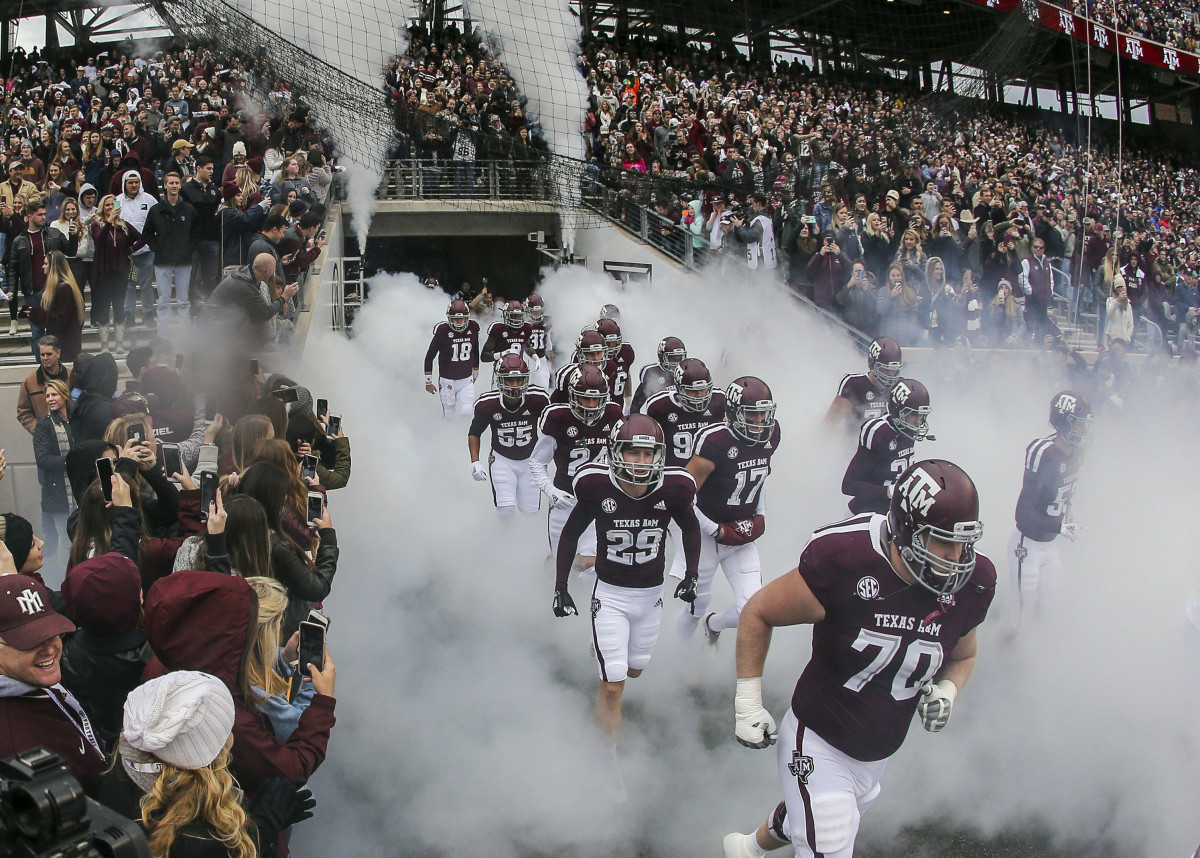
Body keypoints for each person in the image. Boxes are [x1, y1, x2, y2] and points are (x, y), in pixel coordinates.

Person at [722, 460, 994, 858]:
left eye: (963, 543)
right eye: (942, 543)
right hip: (818, 739)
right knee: (830, 839)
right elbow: (759, 611)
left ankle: (748, 847)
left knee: (824, 816)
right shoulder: (846, 560)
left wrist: (949, 690)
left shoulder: (976, 582)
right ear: (906, 531)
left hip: (877, 753)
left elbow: (964, 654)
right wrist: (747, 700)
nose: (957, 558)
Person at [552, 415, 700, 754]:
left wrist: (692, 574)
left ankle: (601, 639)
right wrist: (561, 586)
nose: (642, 461)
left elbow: (690, 529)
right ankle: (608, 760)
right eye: (633, 452)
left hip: (650, 596)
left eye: (649, 454)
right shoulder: (597, 486)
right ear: (616, 452)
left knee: (635, 670)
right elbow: (571, 532)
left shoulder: (674, 488)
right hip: (611, 594)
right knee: (613, 686)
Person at [98, 670, 315, 858]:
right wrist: (262, 829)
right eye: (226, 728)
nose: (231, 734)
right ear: (212, 752)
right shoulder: (198, 840)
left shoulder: (120, 771)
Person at [673, 377, 780, 646]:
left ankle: (714, 625)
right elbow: (683, 496)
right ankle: (674, 658)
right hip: (705, 536)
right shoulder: (715, 441)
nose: (760, 421)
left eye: (764, 414)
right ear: (733, 412)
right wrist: (714, 529)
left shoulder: (771, 434)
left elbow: (759, 478)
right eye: (752, 414)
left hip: (740, 534)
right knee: (696, 606)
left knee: (752, 608)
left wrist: (760, 513)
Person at [0, 571, 106, 795]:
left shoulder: (32, 681)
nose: (49, 649)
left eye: (52, 633)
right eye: (30, 642)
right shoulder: (14, 745)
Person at [1007, 391, 1091, 633]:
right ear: (1064, 421)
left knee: (1051, 609)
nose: (1083, 430)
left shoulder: (1077, 452)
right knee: (1019, 616)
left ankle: (1037, 656)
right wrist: (1060, 526)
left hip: (1049, 545)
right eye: (1079, 423)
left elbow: (1064, 490)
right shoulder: (1043, 451)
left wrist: (1069, 509)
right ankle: (1004, 658)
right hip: (1027, 545)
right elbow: (1023, 513)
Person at [530, 364, 623, 566]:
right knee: (559, 562)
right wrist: (551, 490)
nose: (591, 405)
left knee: (592, 563)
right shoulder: (558, 418)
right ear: (572, 396)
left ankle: (587, 596)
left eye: (595, 399)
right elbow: (537, 461)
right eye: (585, 398)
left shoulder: (613, 414)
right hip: (565, 499)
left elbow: (619, 458)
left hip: (597, 500)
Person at [468, 353, 550, 519]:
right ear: (500, 380)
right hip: (502, 459)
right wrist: (475, 461)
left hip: (530, 461)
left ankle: (525, 543)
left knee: (530, 512)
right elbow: (475, 433)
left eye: (519, 380)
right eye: (510, 380)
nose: (515, 385)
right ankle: (503, 542)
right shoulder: (488, 403)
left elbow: (553, 428)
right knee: (506, 512)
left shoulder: (538, 398)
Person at [841, 379, 932, 516]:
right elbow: (849, 485)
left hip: (891, 515)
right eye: (913, 414)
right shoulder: (879, 432)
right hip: (863, 516)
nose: (918, 422)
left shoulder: (907, 430)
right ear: (897, 409)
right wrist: (889, 491)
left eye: (921, 415)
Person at [140, 171, 198, 325]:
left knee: (183, 301)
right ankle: (163, 333)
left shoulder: (189, 209)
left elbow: (196, 233)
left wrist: (188, 249)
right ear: (165, 185)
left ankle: (185, 334)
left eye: (176, 183)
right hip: (162, 260)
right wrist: (157, 247)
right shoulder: (156, 210)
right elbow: (147, 233)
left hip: (184, 261)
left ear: (180, 185)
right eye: (171, 183)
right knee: (163, 300)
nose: (174, 186)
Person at [91, 192, 144, 351]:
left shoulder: (124, 225)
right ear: (102, 207)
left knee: (119, 306)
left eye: (113, 204)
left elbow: (142, 238)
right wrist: (108, 221)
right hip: (102, 271)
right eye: (107, 205)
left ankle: (120, 343)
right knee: (104, 307)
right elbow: (99, 240)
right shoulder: (96, 225)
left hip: (120, 271)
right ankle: (105, 344)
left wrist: (131, 249)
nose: (110, 207)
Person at [32, 378, 74, 565]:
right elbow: (42, 460)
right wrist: (73, 461)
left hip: (79, 489)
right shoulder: (44, 426)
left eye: (54, 394)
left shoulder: (76, 421)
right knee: (66, 541)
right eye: (47, 395)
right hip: (58, 492)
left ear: (65, 396)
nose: (50, 399)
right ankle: (66, 581)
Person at [824, 336, 903, 427]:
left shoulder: (900, 388)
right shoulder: (854, 384)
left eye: (893, 370)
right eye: (885, 369)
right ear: (872, 364)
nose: (890, 374)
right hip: (854, 440)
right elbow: (828, 424)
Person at [115, 170, 158, 327]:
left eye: (136, 182)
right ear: (124, 184)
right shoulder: (118, 201)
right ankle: (129, 316)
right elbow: (115, 222)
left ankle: (148, 314)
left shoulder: (150, 199)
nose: (134, 185)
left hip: (146, 252)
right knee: (129, 286)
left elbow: (157, 221)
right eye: (130, 182)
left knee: (146, 285)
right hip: (127, 254)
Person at [424, 298, 480, 419]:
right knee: (449, 415)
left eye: (462, 318)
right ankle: (446, 436)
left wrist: (476, 370)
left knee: (467, 411)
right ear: (449, 318)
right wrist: (428, 381)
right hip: (447, 381)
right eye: (455, 318)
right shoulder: (443, 331)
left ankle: (464, 435)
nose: (459, 322)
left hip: (466, 380)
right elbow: (430, 356)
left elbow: (475, 350)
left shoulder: (473, 327)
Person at [28, 251, 85, 361]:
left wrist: (36, 314)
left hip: (64, 348)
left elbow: (61, 320)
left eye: (45, 263)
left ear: (53, 266)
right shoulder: (61, 287)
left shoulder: (63, 289)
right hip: (63, 346)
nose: (42, 266)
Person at [16, 335, 70, 433]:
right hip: (45, 439)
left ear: (58, 353)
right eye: (42, 355)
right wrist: (38, 430)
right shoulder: (29, 381)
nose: (45, 358)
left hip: (72, 433)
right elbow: (23, 412)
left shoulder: (71, 377)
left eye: (49, 354)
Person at [630, 336, 686, 414]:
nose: (676, 363)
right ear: (662, 357)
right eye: (672, 359)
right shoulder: (652, 372)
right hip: (659, 416)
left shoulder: (686, 373)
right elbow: (637, 404)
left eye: (680, 359)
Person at [596, 316, 635, 406]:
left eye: (614, 342)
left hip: (617, 406)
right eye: (607, 343)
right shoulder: (588, 355)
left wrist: (628, 403)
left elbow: (626, 374)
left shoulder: (626, 351)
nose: (612, 346)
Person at [525, 294, 554, 390]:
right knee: (526, 389)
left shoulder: (547, 321)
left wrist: (552, 361)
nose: (537, 313)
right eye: (534, 311)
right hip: (527, 359)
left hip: (541, 359)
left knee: (543, 387)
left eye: (538, 311)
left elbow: (548, 342)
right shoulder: (524, 323)